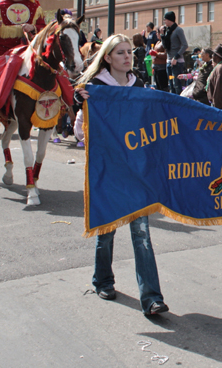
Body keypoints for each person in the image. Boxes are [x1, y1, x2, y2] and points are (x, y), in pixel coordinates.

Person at [73, 34, 168, 316]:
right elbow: (80, 132)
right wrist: (84, 105)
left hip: (138, 170)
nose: (127, 57)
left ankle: (151, 298)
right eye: (121, 53)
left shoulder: (140, 85)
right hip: (108, 171)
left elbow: (151, 121)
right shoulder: (95, 87)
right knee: (107, 233)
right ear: (108, 57)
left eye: (130, 52)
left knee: (142, 235)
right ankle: (102, 280)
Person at [162, 11, 188, 94]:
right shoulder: (167, 31)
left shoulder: (178, 30)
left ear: (170, 20)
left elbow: (185, 45)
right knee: (171, 83)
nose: (164, 22)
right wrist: (163, 36)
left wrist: (176, 57)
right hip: (169, 62)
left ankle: (179, 102)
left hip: (177, 62)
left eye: (165, 19)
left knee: (177, 84)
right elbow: (165, 46)